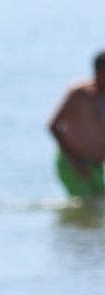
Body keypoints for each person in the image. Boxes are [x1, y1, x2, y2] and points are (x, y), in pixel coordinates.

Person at [48, 51, 105, 198]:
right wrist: (74, 160)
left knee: (99, 205)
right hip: (72, 163)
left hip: (95, 165)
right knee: (86, 204)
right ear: (100, 72)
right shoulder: (80, 93)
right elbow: (53, 125)